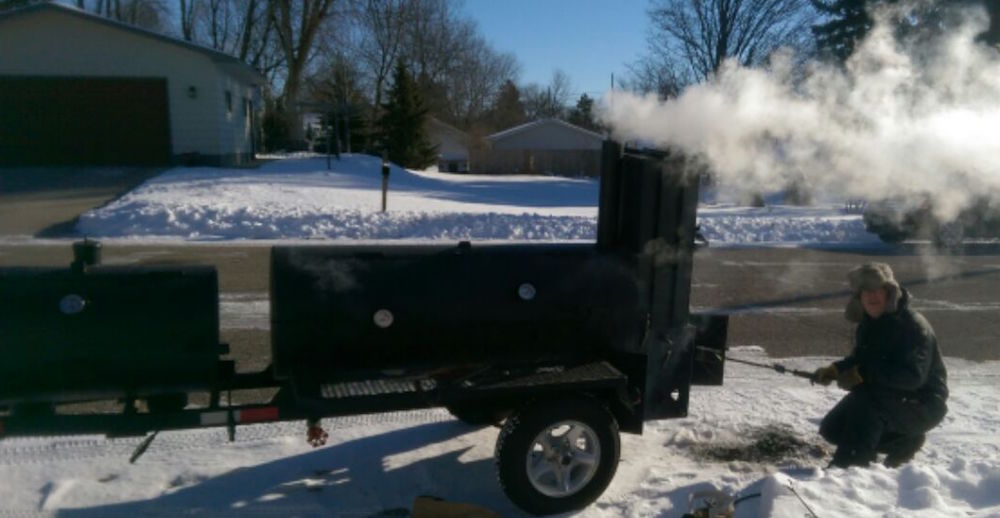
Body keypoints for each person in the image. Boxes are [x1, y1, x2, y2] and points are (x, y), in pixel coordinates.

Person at [813, 262, 948, 468]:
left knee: (866, 405)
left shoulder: (912, 326)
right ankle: (903, 441)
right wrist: (835, 370)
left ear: (890, 293)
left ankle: (847, 468)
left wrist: (863, 373)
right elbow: (860, 359)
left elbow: (912, 377)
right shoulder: (869, 323)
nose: (872, 296)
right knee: (833, 429)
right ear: (859, 297)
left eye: (878, 290)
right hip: (890, 396)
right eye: (866, 291)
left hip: (924, 403)